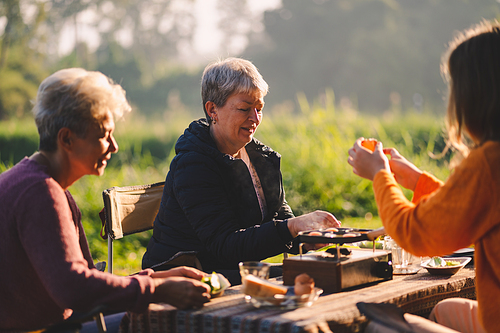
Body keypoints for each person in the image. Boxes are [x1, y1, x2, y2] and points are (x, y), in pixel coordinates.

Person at [0, 68, 211, 333]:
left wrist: (156, 277)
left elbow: (86, 281)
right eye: (103, 134)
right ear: (66, 138)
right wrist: (157, 290)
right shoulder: (40, 193)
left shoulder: (33, 182)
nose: (114, 146)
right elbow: (75, 290)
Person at [347, 20, 500, 333]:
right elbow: (475, 214)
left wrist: (379, 174)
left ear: (476, 97)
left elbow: (415, 234)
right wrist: (418, 182)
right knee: (444, 309)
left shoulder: (489, 162)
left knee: (376, 328)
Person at [142, 57, 340, 284]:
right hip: (187, 276)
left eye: (259, 108)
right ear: (212, 109)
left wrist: (305, 237)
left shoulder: (260, 157)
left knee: (324, 271)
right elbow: (225, 246)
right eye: (244, 108)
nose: (255, 119)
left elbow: (280, 218)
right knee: (310, 277)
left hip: (230, 269)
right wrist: (291, 228)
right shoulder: (193, 165)